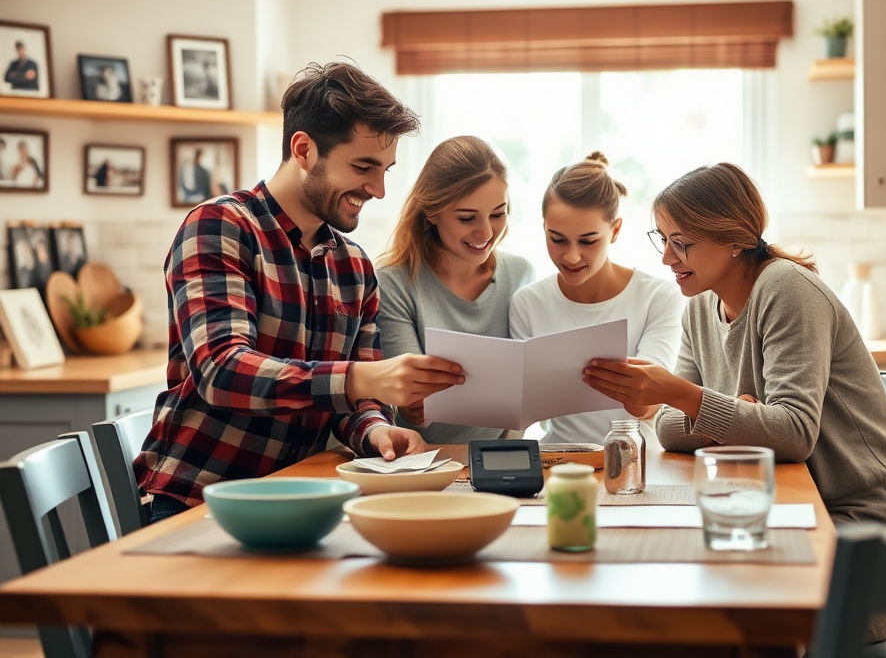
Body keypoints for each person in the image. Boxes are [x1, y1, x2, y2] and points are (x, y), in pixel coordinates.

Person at [582, 162, 886, 642]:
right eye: (664, 240)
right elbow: (671, 430)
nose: (668, 259)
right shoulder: (699, 305)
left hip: (859, 533)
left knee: (713, 614)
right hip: (787, 512)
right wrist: (734, 414)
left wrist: (687, 397)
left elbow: (793, 434)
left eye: (683, 243)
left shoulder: (785, 289)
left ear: (734, 238)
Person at [134, 61, 466, 523]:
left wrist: (375, 431)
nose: (379, 189)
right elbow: (221, 370)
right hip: (197, 502)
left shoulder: (353, 266)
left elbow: (354, 400)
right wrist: (358, 379)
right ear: (304, 149)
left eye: (386, 169)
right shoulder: (220, 227)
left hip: (300, 499)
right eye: (363, 167)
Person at [509, 152, 684, 445]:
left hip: (640, 463)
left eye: (588, 241)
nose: (572, 256)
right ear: (544, 228)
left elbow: (648, 404)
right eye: (557, 239)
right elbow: (522, 412)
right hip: (559, 462)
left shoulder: (659, 297)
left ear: (615, 230)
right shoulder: (528, 302)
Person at [376, 136, 534, 442]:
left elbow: (527, 398)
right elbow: (407, 403)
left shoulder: (521, 274)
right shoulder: (393, 283)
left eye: (498, 214)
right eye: (467, 218)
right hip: (421, 460)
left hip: (501, 457)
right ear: (432, 212)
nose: (486, 232)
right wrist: (411, 408)